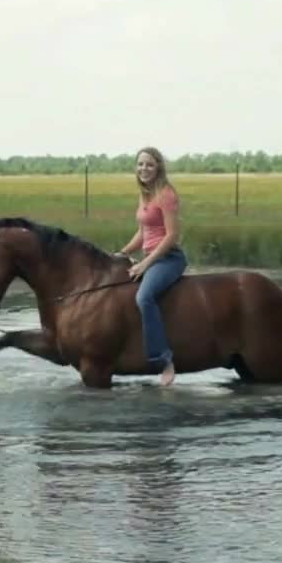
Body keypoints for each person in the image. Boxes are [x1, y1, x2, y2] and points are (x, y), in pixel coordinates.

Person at [114, 146, 187, 387]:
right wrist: (123, 253)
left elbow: (172, 235)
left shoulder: (166, 194)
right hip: (151, 256)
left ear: (158, 168)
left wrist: (145, 263)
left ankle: (164, 359)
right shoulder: (145, 193)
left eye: (149, 165)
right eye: (140, 164)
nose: (143, 169)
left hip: (168, 258)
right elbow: (143, 232)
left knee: (144, 297)